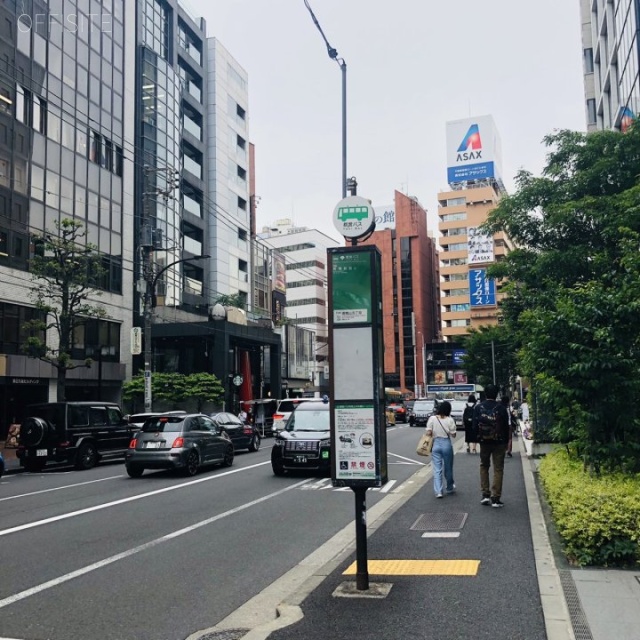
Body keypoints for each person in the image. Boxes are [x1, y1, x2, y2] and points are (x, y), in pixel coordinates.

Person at [472, 383, 510, 508]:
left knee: (484, 466)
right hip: (499, 442)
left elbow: (474, 426)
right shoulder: (501, 408)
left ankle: (485, 495)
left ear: (485, 394)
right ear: (497, 394)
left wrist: (478, 438)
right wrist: (506, 441)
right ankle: (496, 498)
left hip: (484, 442)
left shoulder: (478, 407)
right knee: (498, 469)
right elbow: (505, 427)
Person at [425, 400, 456, 499]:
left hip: (436, 444)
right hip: (446, 444)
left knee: (437, 469)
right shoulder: (450, 420)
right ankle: (450, 487)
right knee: (448, 467)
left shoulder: (432, 418)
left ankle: (438, 491)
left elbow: (429, 433)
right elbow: (454, 435)